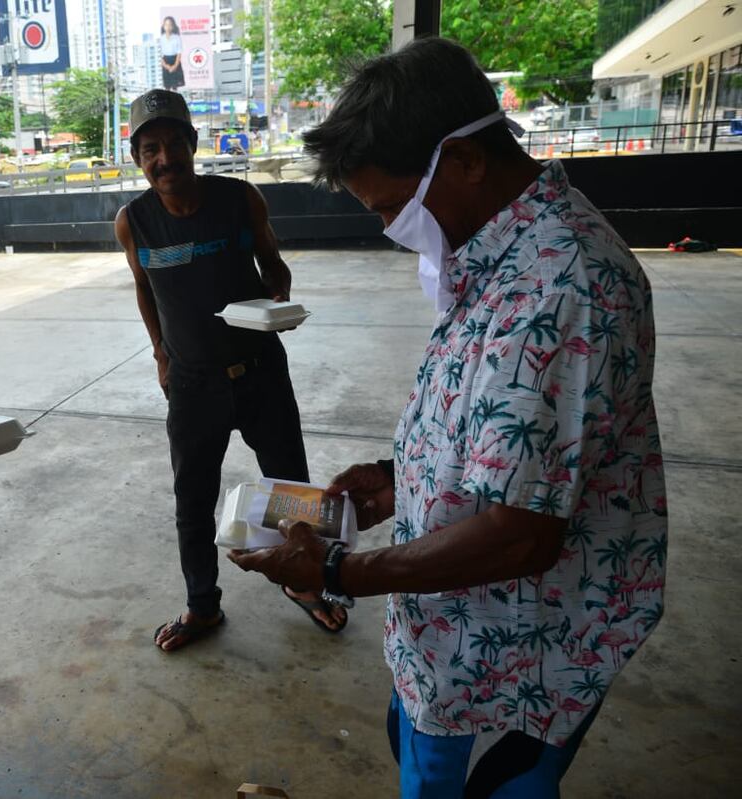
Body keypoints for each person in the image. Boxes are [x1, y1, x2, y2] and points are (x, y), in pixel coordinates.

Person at [228, 38, 666, 796]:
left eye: (394, 205)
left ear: (464, 160)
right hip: (454, 636)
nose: (390, 227)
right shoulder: (502, 248)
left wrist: (336, 570)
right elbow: (519, 432)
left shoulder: (563, 287)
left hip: (512, 657)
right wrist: (405, 478)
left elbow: (521, 532)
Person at [115, 89, 331, 652]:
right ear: (138, 156)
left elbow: (272, 260)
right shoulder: (132, 222)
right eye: (150, 149)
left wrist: (278, 294)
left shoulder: (240, 198)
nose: (164, 160)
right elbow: (145, 292)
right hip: (192, 385)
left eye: (174, 145)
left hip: (260, 370)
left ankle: (304, 585)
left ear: (193, 144)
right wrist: (161, 354)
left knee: (293, 490)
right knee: (193, 499)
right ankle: (202, 606)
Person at [159, 16, 184, 91]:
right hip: (165, 61)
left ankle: (175, 101)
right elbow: (160, 55)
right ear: (163, 26)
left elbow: (179, 52)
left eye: (170, 25)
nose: (168, 27)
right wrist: (166, 66)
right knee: (167, 86)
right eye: (166, 24)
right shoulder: (161, 39)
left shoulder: (177, 38)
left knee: (175, 86)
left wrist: (175, 66)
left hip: (175, 60)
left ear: (173, 26)